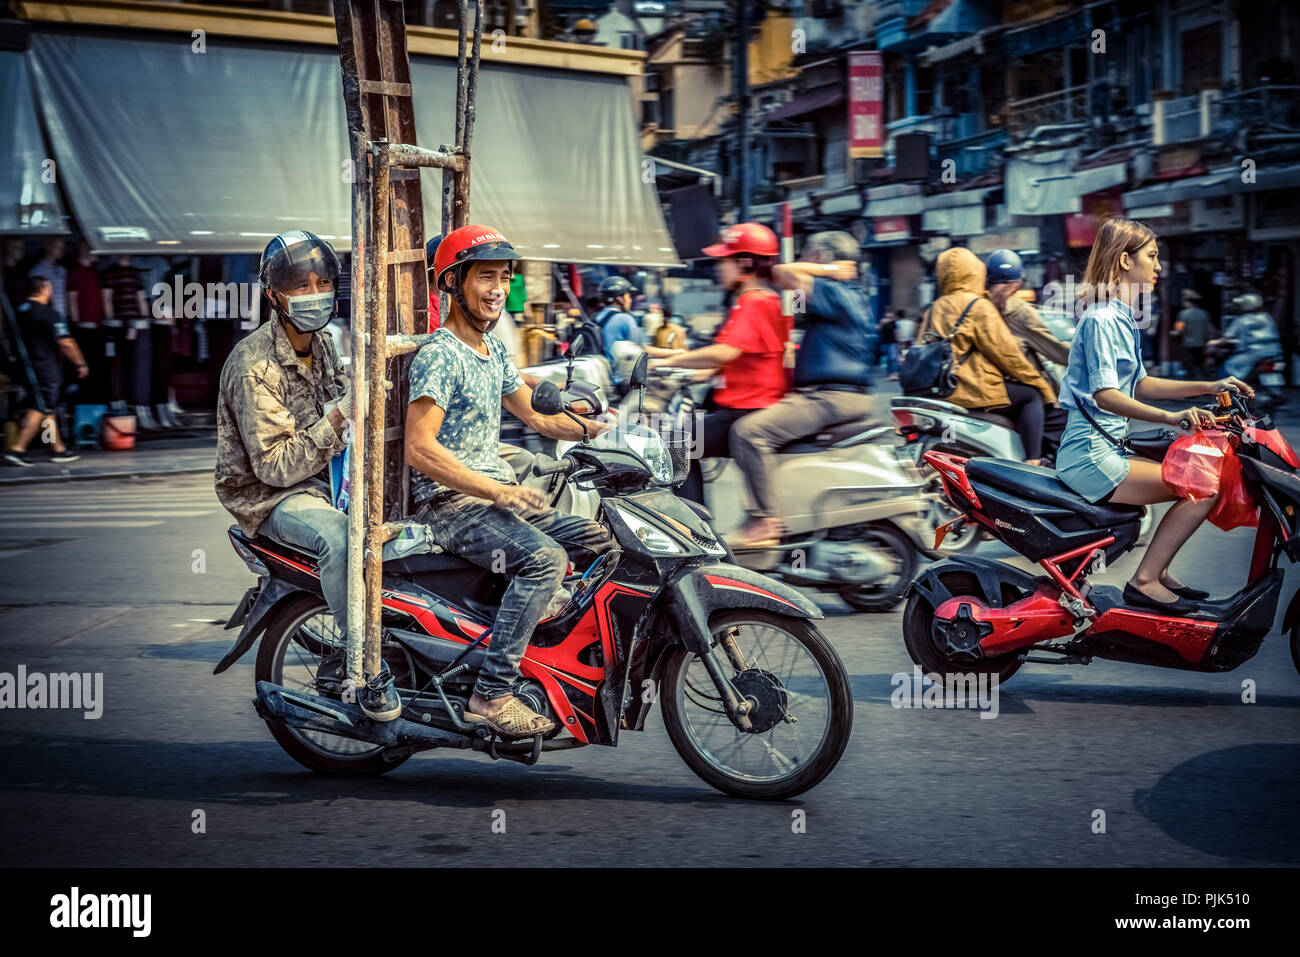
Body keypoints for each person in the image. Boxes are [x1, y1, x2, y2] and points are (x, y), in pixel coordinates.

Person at [406, 224, 617, 738]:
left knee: (605, 543)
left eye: (503, 276)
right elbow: (420, 446)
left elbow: (540, 419)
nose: (498, 288)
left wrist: (604, 432)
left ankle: (543, 646)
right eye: (485, 277)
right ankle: (492, 694)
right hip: (452, 504)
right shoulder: (440, 354)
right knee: (546, 559)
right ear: (453, 284)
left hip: (496, 501)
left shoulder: (493, 350)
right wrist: (495, 489)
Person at [214, 231, 392, 719]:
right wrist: (339, 418)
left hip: (325, 477)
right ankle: (363, 664)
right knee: (340, 536)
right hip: (270, 496)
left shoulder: (325, 342)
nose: (314, 292)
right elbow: (273, 467)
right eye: (299, 284)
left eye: (322, 281)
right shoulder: (254, 367)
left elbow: (341, 405)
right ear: (274, 295)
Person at [1055, 218, 1253, 612]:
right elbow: (1107, 396)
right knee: (1202, 487)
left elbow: (1140, 384)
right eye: (1152, 256)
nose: (1159, 266)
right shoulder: (1102, 320)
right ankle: (1146, 579)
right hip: (1090, 456)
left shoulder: (1121, 318)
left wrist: (1210, 386)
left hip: (1105, 449)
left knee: (1191, 479)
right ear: (1126, 261)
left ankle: (1157, 573)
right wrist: (1173, 418)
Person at [728, 231, 876, 547]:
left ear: (821, 258)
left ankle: (765, 520)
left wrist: (830, 270)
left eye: (809, 255)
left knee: (749, 433)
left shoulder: (834, 289)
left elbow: (783, 273)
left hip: (830, 396)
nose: (804, 260)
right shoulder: (848, 294)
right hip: (835, 394)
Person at [648, 222, 791, 507]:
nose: (718, 267)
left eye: (724, 260)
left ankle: (693, 530)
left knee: (671, 441)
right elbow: (737, 360)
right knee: (681, 437)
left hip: (744, 411)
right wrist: (676, 366)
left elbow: (724, 352)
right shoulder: (764, 300)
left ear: (745, 263)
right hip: (750, 407)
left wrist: (668, 360)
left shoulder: (754, 301)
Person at [917, 247, 1058, 465]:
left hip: (937, 389)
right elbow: (1007, 354)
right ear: (974, 273)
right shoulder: (977, 305)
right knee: (1032, 396)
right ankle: (1033, 463)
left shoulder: (934, 307)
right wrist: (1041, 385)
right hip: (966, 388)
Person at [984, 248, 1071, 464]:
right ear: (1018, 281)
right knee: (1060, 417)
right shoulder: (1017, 310)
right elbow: (1057, 352)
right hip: (1011, 385)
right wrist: (1081, 350)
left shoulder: (981, 305)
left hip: (985, 383)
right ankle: (1035, 462)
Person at [4, 276, 87, 467]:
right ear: (45, 290)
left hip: (24, 366)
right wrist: (80, 363)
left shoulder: (18, 312)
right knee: (40, 408)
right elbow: (66, 342)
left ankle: (56, 448)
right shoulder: (48, 314)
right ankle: (18, 449)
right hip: (45, 368)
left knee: (47, 407)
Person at [591, 275, 643, 389]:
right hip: (617, 385)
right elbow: (639, 352)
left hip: (597, 379)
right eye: (628, 295)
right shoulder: (625, 319)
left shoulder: (595, 317)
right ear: (619, 298)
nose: (630, 300)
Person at [1172, 288, 1214, 379]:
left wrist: (1173, 333)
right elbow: (1209, 330)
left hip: (1188, 345)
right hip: (1201, 345)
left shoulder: (1183, 314)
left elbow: (1179, 331)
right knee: (1200, 367)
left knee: (1189, 369)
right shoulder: (1204, 314)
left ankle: (1191, 390)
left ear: (1187, 301)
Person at [878, 308, 897, 376]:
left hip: (892, 342)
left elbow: (895, 332)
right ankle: (889, 372)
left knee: (893, 358)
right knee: (888, 359)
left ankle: (893, 372)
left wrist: (898, 341)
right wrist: (882, 323)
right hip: (885, 342)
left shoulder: (893, 322)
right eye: (887, 313)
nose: (889, 315)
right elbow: (879, 329)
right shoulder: (883, 321)